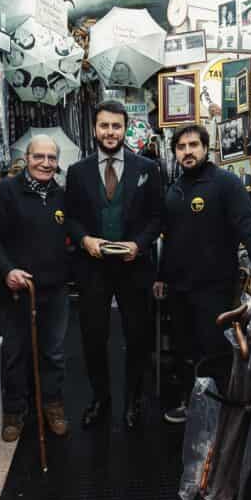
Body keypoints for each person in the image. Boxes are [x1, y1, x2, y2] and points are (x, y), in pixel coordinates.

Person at [155, 125, 251, 423]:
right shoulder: (175, 190)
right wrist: (161, 276)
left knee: (215, 352)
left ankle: (220, 416)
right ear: (175, 153)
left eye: (193, 145)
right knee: (186, 351)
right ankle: (191, 405)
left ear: (205, 148)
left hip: (214, 288)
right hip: (179, 288)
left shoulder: (226, 183)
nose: (187, 151)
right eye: (181, 147)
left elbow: (249, 225)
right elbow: (169, 239)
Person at [65, 100, 162, 430]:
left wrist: (140, 244)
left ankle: (133, 399)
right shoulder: (77, 172)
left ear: (125, 129)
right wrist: (84, 241)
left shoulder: (147, 169)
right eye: (104, 126)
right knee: (93, 337)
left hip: (134, 266)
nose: (110, 132)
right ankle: (100, 398)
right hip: (92, 267)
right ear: (95, 129)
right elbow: (72, 219)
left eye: (116, 126)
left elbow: (156, 217)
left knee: (137, 337)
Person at [0, 135, 70, 442]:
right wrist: (7, 270)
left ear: (57, 163)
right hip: (15, 291)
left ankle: (52, 404)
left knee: (53, 353)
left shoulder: (62, 195)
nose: (45, 163)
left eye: (51, 158)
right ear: (27, 159)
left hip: (54, 291)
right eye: (38, 156)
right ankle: (16, 410)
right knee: (16, 353)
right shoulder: (6, 192)